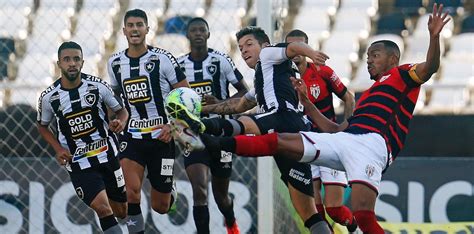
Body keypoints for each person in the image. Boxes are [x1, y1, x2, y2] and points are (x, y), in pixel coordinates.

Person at [181, 4, 450, 233]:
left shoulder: (402, 76)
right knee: (278, 142)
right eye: (367, 57)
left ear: (393, 58)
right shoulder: (368, 94)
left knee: (363, 215)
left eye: (374, 56)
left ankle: (206, 135)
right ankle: (207, 142)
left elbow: (430, 68)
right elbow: (335, 128)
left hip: (373, 146)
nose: (368, 61)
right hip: (346, 138)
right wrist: (307, 103)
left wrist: (434, 37)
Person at [168, 26, 333, 233]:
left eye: (249, 44)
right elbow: (237, 105)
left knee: (246, 122)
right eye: (240, 47)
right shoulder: (264, 79)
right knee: (309, 214)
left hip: (284, 120)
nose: (244, 50)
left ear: (263, 44)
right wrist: (201, 108)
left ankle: (202, 130)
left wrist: (312, 54)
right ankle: (203, 128)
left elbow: (294, 47)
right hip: (294, 134)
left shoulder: (268, 53)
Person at [107, 9, 189, 234]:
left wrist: (174, 126)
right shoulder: (115, 63)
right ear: (123, 31)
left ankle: (169, 189)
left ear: (147, 29)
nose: (135, 29)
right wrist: (115, 118)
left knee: (160, 207)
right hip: (131, 137)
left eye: (139, 25)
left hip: (162, 137)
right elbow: (114, 99)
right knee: (130, 193)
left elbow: (187, 96)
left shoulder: (163, 59)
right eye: (130, 25)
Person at [37, 41, 129, 233]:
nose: (72, 63)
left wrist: (119, 122)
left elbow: (122, 111)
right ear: (59, 64)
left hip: (108, 156)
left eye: (76, 59)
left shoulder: (98, 87)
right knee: (104, 209)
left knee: (121, 211)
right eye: (67, 59)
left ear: (82, 62)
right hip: (79, 162)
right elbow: (42, 126)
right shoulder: (49, 97)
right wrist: (59, 148)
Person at [177, 17, 249, 234]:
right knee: (199, 191)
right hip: (191, 134)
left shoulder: (221, 61)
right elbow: (170, 99)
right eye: (194, 30)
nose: (198, 33)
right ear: (188, 36)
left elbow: (245, 93)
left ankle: (230, 219)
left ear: (208, 35)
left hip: (221, 134)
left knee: (221, 197)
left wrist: (220, 103)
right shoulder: (178, 66)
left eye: (202, 30)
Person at [285, 29, 357, 231]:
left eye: (301, 46)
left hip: (329, 144)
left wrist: (347, 126)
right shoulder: (282, 77)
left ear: (308, 48)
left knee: (334, 209)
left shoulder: (322, 72)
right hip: (304, 145)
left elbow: (349, 98)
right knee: (316, 210)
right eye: (292, 46)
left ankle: (355, 228)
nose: (297, 51)